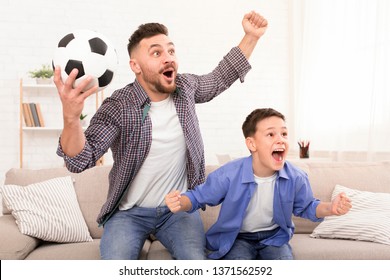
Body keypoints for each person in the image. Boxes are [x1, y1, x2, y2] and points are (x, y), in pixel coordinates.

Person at [53, 11, 268, 260]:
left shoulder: (186, 89)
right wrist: (70, 118)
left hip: (178, 210)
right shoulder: (119, 105)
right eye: (156, 53)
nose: (168, 59)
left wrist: (250, 36)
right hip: (128, 214)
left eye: (171, 51)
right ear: (136, 66)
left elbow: (220, 76)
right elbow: (80, 159)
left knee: (196, 264)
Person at [165, 108, 352, 260]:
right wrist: (181, 202)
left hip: (274, 237)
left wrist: (331, 208)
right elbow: (198, 197)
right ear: (252, 144)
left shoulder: (296, 177)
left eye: (284, 134)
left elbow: (308, 206)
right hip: (237, 238)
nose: (280, 139)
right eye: (271, 134)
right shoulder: (229, 173)